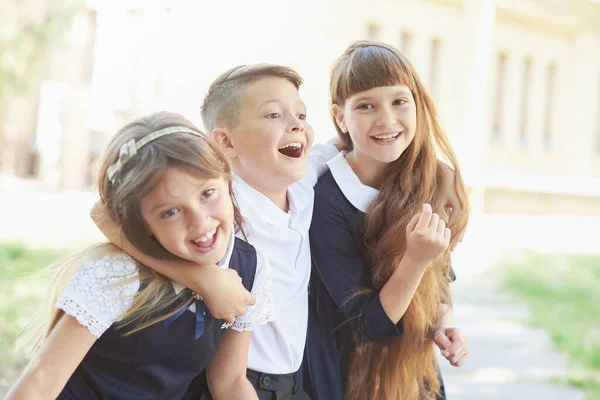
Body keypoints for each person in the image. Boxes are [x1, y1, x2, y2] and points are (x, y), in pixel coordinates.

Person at [93, 65, 339, 399]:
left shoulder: (306, 175)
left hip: (294, 377)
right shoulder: (220, 200)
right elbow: (102, 213)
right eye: (273, 115)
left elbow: (355, 144)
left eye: (301, 114)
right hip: (235, 376)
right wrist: (201, 278)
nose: (297, 124)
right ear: (225, 142)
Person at [6, 112, 273, 400]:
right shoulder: (117, 272)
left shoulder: (251, 266)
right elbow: (41, 381)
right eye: (170, 212)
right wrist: (204, 279)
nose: (199, 222)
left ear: (226, 179)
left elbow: (230, 380)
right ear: (140, 223)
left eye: (208, 193)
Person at [304, 41, 471, 400]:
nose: (386, 120)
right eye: (366, 106)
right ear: (339, 116)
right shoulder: (326, 200)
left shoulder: (433, 178)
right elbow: (369, 324)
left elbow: (440, 277)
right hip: (351, 379)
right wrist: (414, 260)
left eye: (399, 102)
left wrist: (444, 324)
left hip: (417, 376)